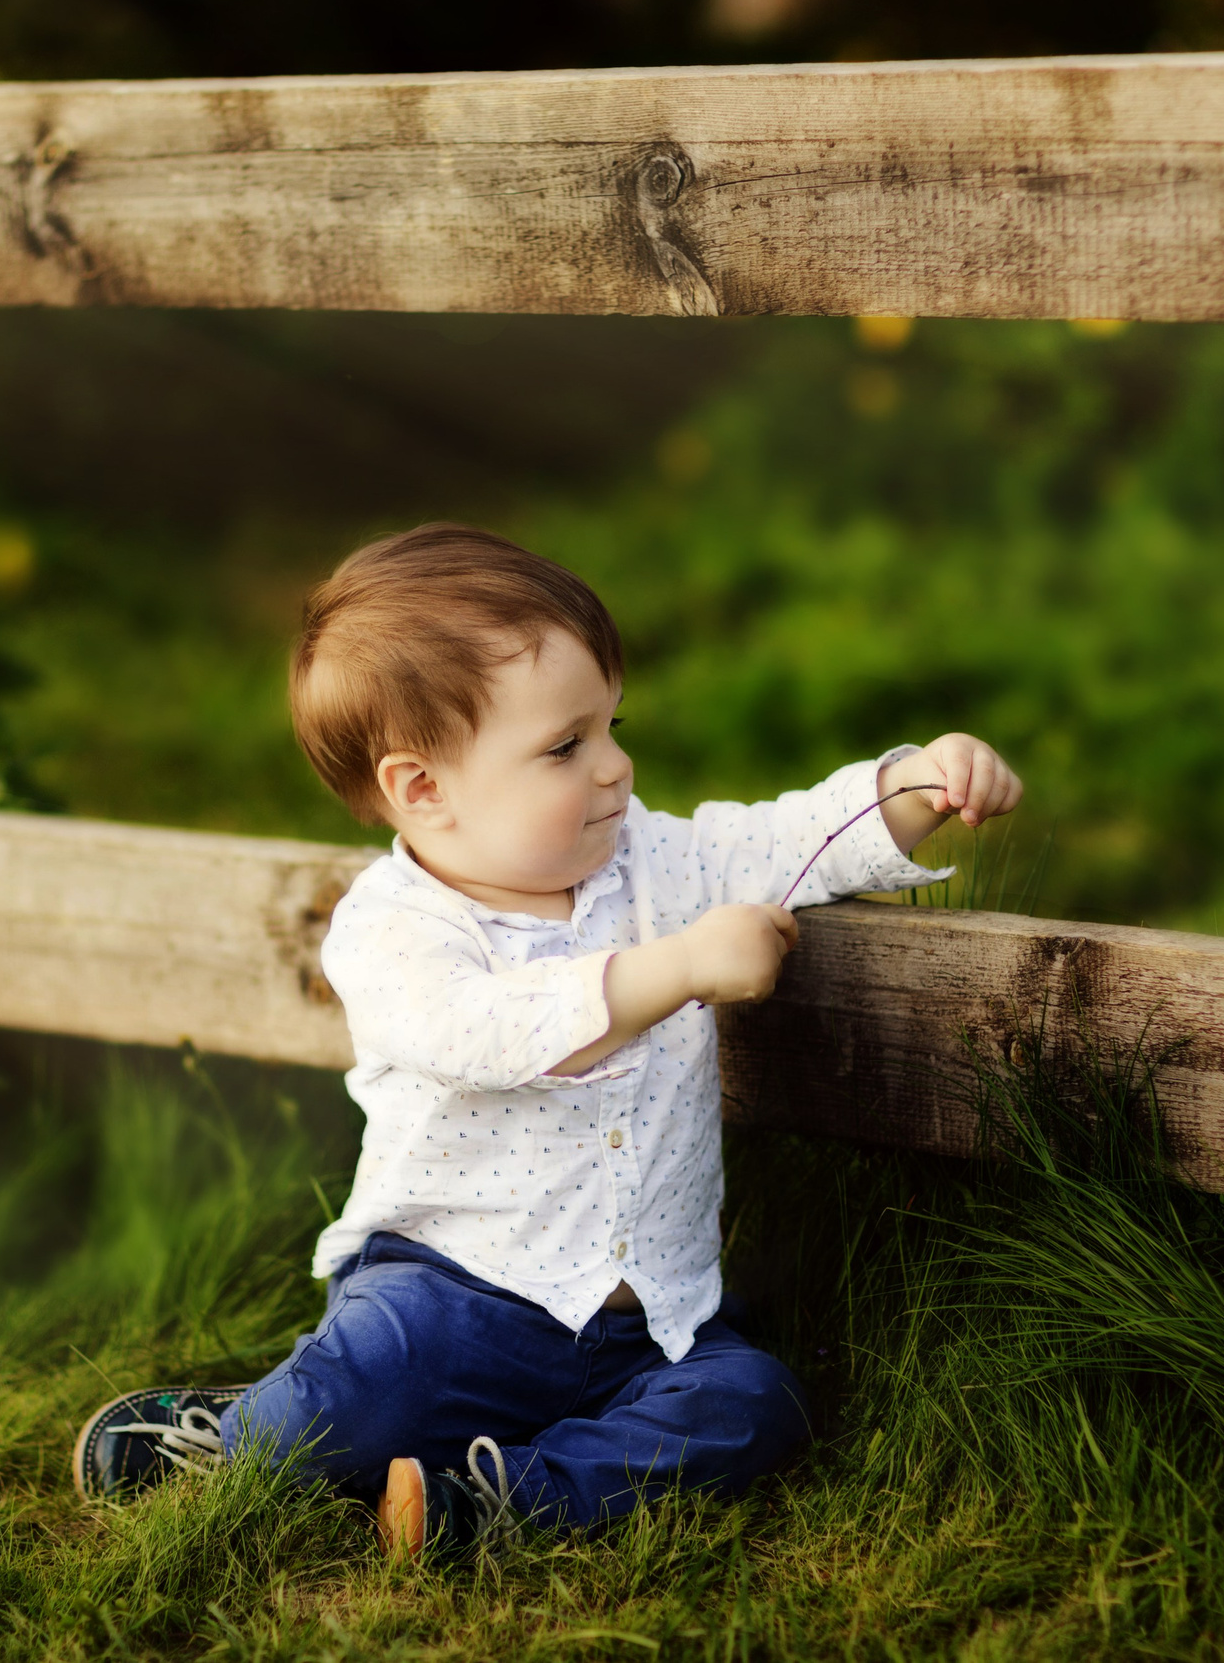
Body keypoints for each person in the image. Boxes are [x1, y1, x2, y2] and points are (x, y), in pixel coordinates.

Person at [74, 522, 1022, 1558]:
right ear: (422, 790)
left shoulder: (657, 864)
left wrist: (915, 787)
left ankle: (499, 1498)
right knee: (374, 1387)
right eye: (565, 747)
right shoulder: (395, 928)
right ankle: (235, 1439)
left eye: (613, 724)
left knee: (754, 1403)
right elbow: (490, 1033)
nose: (616, 767)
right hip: (450, 1299)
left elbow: (788, 838)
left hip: (647, 1324)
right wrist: (681, 969)